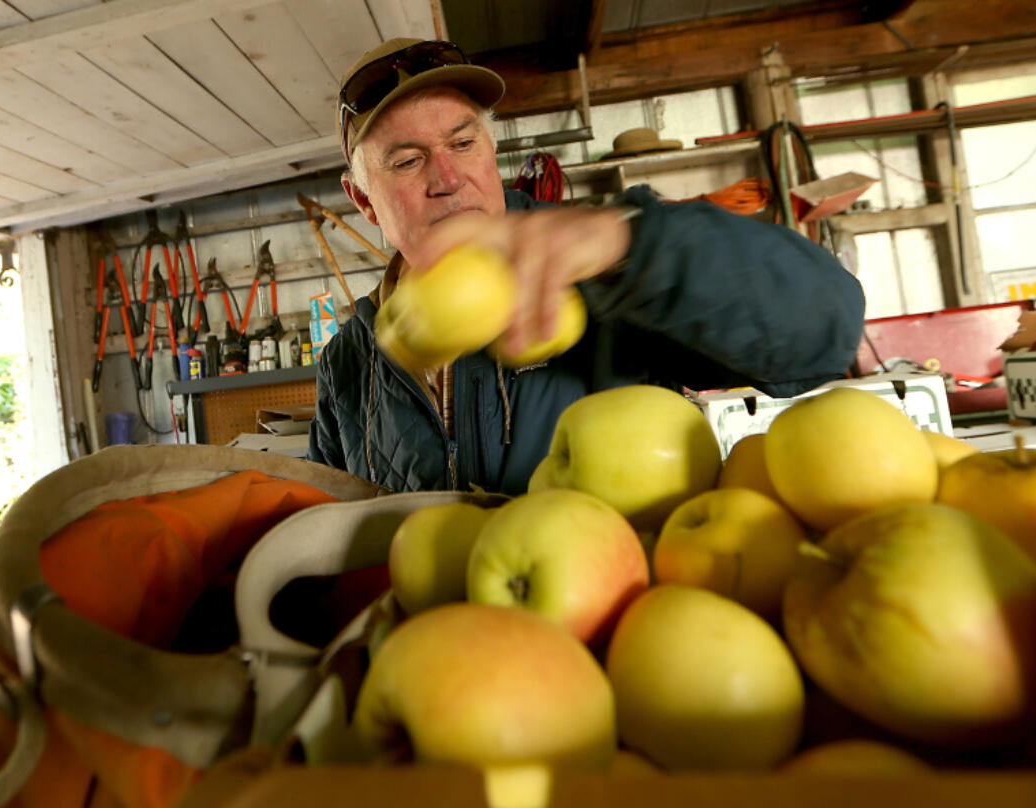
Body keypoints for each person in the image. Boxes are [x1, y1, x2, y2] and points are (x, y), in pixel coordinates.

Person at [308, 38, 865, 495]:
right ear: (361, 199)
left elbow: (826, 331)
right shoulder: (348, 364)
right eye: (407, 160)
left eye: (463, 142)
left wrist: (627, 247)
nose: (448, 178)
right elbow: (330, 531)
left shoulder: (596, 268)